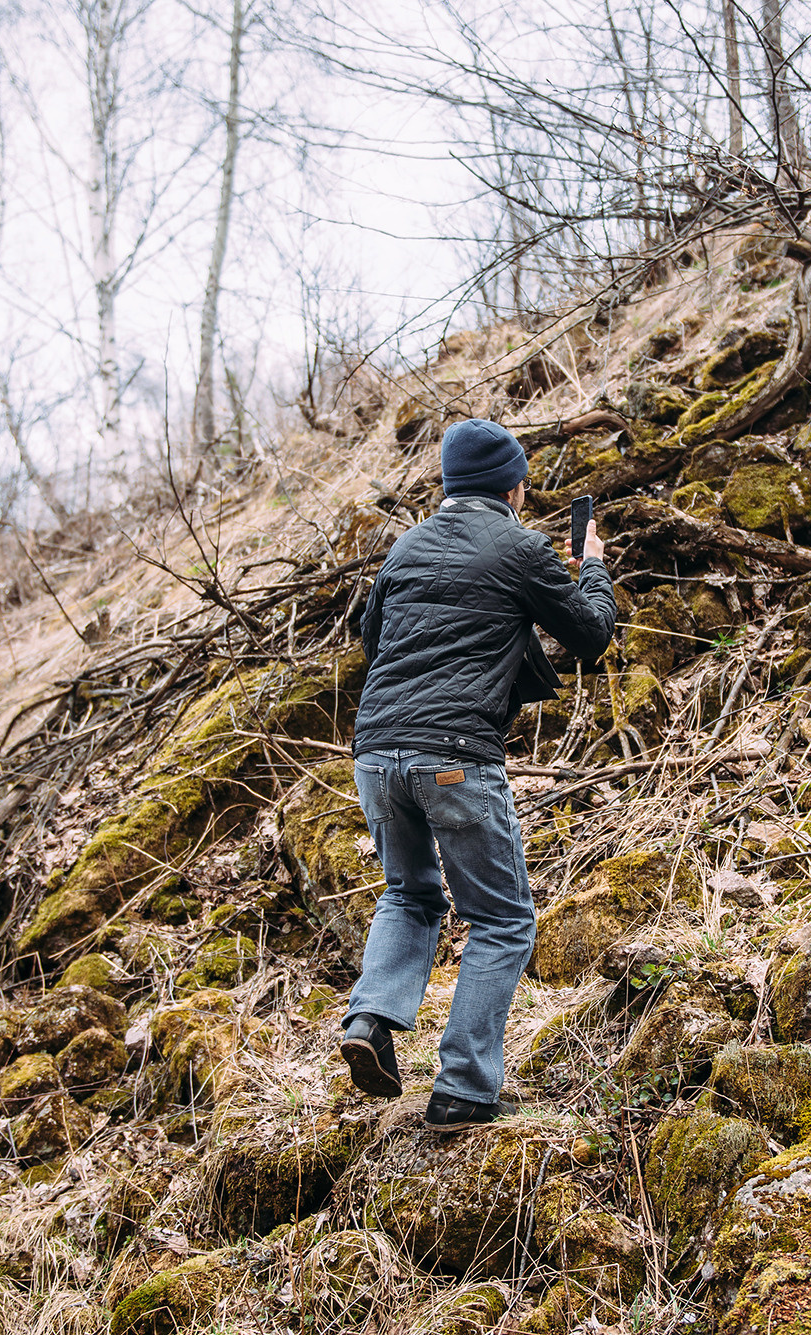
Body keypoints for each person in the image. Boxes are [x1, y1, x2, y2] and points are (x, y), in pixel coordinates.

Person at [339, 417, 616, 1127]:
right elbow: (590, 634)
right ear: (513, 486)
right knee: (501, 918)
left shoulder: (406, 546)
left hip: (375, 752)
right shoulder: (520, 547)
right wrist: (592, 565)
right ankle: (462, 1086)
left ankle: (370, 1019)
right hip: (454, 755)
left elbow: (372, 642)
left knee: (408, 893)